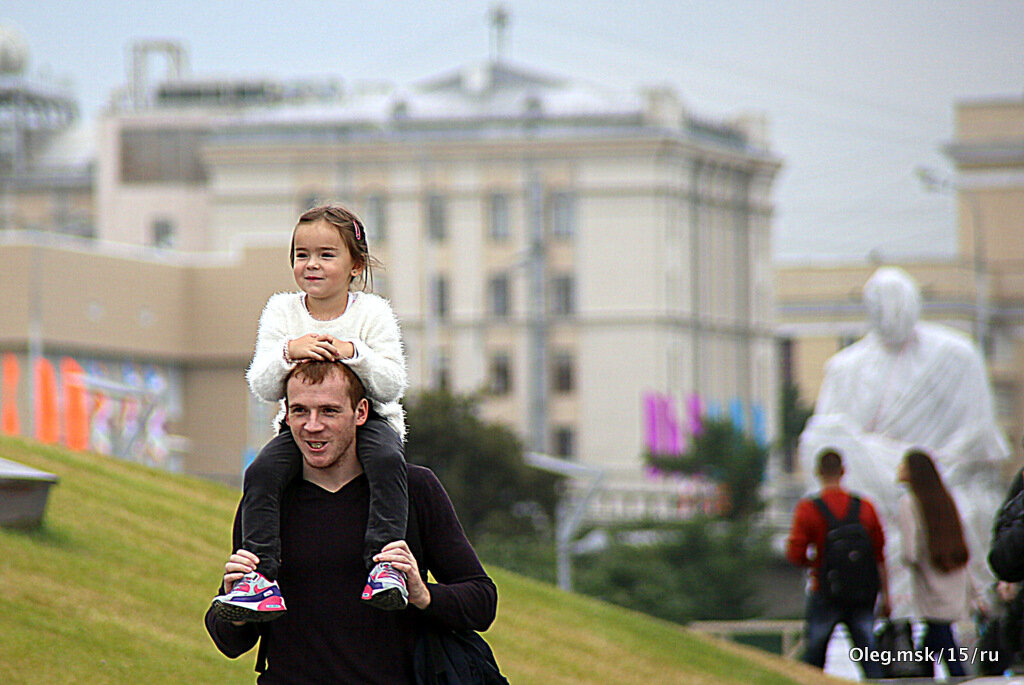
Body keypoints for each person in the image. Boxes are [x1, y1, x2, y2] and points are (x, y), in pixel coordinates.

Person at [205, 361, 498, 683]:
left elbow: (482, 602)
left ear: (361, 413)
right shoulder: (267, 498)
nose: (312, 426)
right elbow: (230, 644)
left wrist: (422, 594)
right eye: (300, 411)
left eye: (329, 411)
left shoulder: (414, 488)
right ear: (286, 415)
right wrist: (234, 610)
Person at [213, 204, 410, 622]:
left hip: (370, 421)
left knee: (386, 459)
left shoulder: (373, 313)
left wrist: (353, 353)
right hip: (299, 426)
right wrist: (289, 352)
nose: (312, 264)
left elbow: (392, 384)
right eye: (302, 255)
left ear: (356, 265)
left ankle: (385, 564)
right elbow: (263, 385)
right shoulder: (282, 311)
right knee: (262, 472)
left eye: (326, 255)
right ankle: (259, 577)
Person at [786, 449, 889, 679]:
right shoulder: (865, 507)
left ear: (818, 473)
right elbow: (879, 554)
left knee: (814, 658)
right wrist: (886, 595)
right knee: (869, 656)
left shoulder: (809, 509)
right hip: (862, 593)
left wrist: (816, 563)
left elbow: (795, 553)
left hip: (825, 591)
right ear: (843, 471)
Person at [897, 449, 976, 678]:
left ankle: (958, 678)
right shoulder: (945, 499)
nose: (898, 469)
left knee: (941, 635)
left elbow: (910, 552)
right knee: (936, 633)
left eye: (903, 465)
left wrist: (908, 562)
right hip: (952, 577)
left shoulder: (909, 502)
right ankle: (923, 677)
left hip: (928, 579)